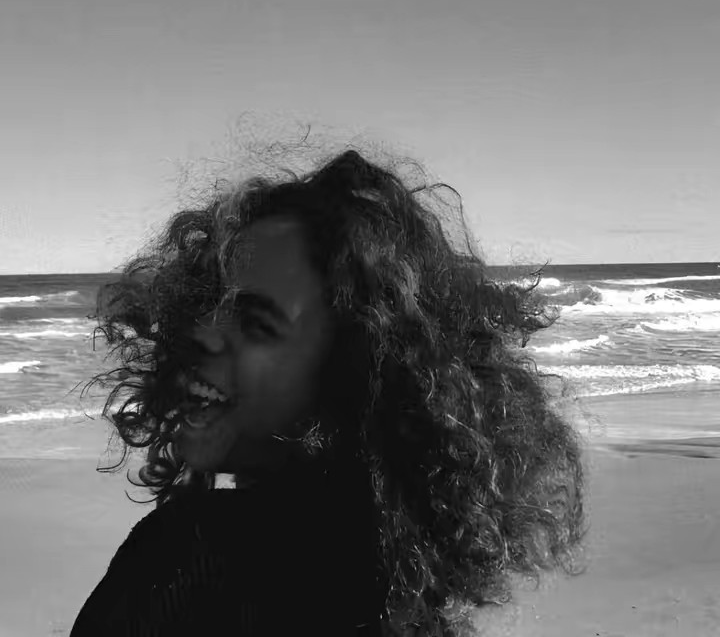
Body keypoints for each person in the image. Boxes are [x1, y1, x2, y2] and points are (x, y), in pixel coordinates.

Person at [70, 148, 585, 636]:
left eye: (255, 322)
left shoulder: (187, 560)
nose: (202, 331)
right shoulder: (402, 584)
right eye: (208, 302)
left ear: (345, 372)